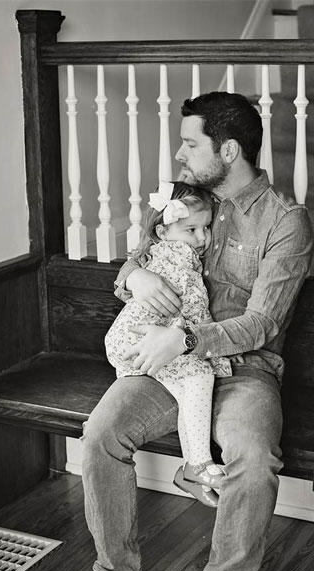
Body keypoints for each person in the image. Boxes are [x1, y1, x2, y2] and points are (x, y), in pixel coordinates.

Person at [70, 92, 313, 571]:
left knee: (253, 460)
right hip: (167, 364)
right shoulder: (183, 202)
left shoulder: (286, 221)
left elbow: (262, 322)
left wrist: (185, 335)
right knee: (102, 432)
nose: (179, 154)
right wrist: (133, 277)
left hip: (243, 370)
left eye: (189, 143)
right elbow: (143, 257)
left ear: (228, 149)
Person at [103, 181, 231, 509]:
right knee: (201, 376)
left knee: (192, 385)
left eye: (206, 228)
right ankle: (198, 464)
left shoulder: (164, 251)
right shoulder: (179, 257)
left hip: (128, 339)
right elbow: (193, 305)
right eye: (191, 229)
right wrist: (211, 350)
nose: (202, 239)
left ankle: (194, 467)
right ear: (163, 232)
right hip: (138, 338)